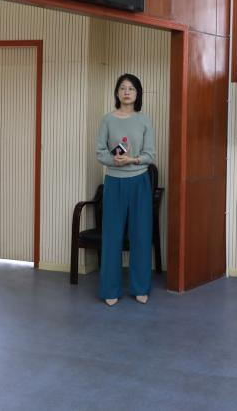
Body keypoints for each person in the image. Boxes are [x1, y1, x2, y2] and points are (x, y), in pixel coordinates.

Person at [95, 73, 156, 306]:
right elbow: (100, 152)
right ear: (117, 93)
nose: (127, 92)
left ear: (137, 94)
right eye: (123, 88)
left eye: (131, 88)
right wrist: (114, 161)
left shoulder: (144, 120)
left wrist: (132, 160)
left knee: (141, 235)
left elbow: (150, 154)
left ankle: (140, 287)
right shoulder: (107, 120)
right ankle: (110, 289)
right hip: (114, 182)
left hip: (140, 181)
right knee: (112, 236)